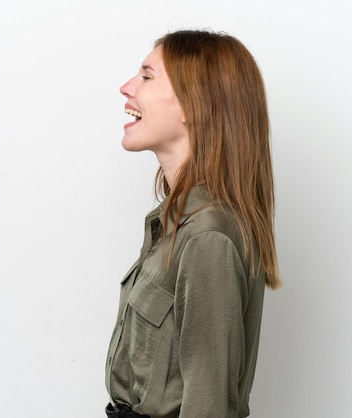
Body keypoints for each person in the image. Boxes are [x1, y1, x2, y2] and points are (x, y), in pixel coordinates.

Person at [105, 29, 281, 418]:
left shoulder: (207, 237)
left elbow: (209, 406)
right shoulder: (174, 224)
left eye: (147, 77)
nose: (126, 87)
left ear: (193, 104)